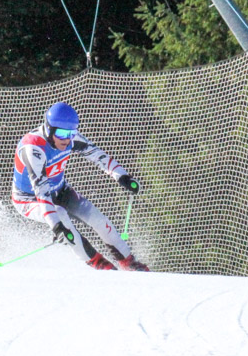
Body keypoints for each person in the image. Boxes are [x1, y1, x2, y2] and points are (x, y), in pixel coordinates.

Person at [11, 102, 149, 271]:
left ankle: (129, 262)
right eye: (62, 134)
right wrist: (56, 226)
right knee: (60, 215)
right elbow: (41, 192)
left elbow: (97, 155)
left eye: (71, 133)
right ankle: (100, 265)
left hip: (60, 190)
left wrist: (122, 176)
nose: (67, 139)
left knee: (97, 219)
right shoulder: (33, 148)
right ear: (49, 129)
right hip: (28, 200)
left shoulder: (70, 138)